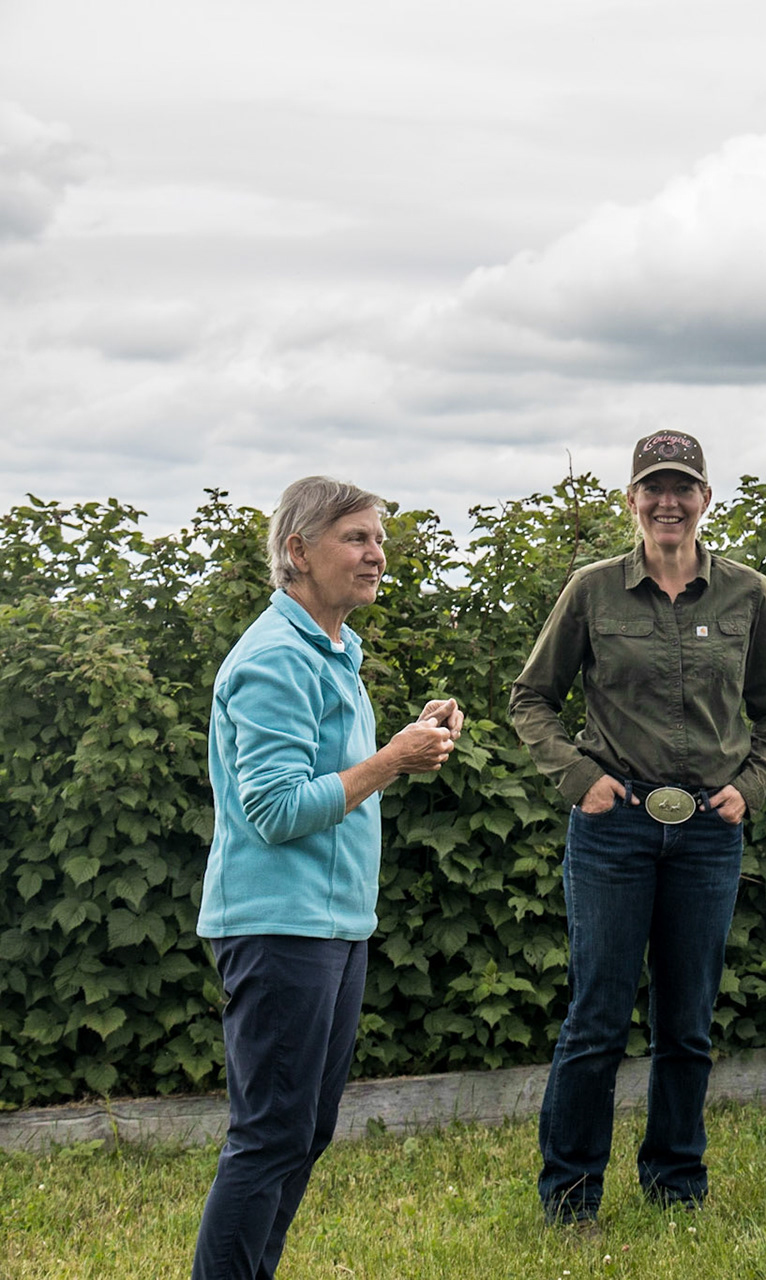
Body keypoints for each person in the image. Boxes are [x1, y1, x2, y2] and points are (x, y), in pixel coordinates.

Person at [511, 429, 766, 1224]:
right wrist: (578, 779)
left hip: (709, 832)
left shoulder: (748, 594)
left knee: (687, 1021)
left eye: (684, 487)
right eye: (653, 488)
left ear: (706, 499)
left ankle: (675, 1184)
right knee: (596, 1018)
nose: (668, 502)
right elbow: (531, 698)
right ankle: (570, 1197)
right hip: (615, 829)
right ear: (631, 499)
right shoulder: (593, 590)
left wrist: (750, 786)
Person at [194, 476, 461, 1280]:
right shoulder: (276, 658)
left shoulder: (333, 651)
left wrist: (410, 737)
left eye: (378, 538)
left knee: (303, 1129)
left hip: (333, 926)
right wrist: (393, 760)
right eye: (354, 537)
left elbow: (326, 777)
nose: (376, 553)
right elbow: (274, 809)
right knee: (271, 1133)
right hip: (278, 925)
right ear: (297, 551)